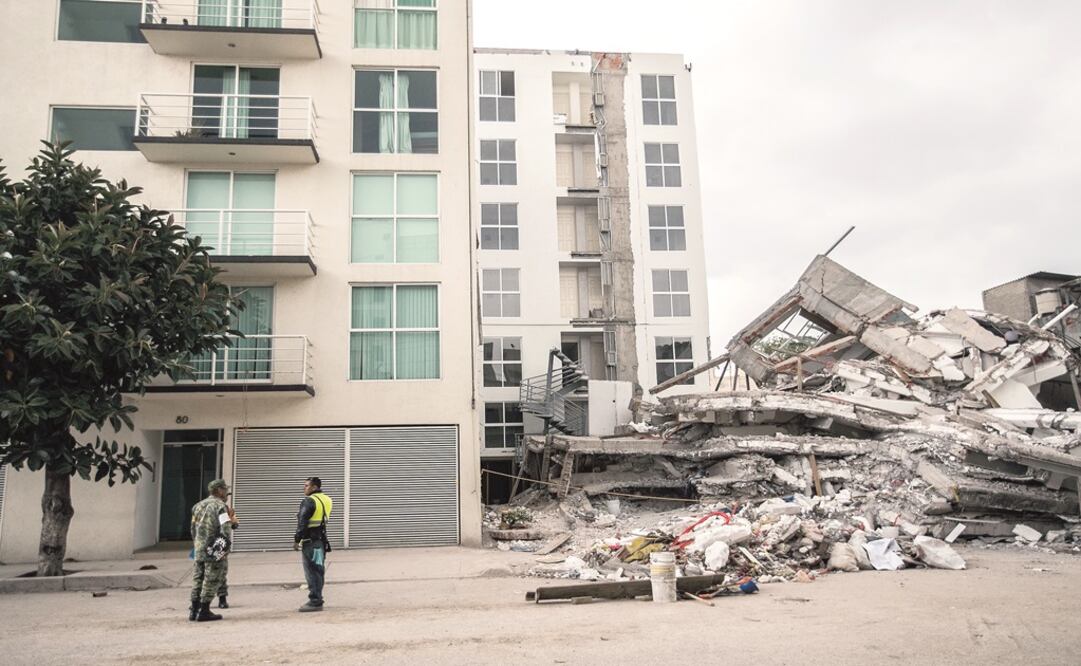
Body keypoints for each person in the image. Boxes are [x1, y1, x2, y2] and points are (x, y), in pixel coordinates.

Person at [189, 479, 234, 622]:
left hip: (199, 547)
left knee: (198, 578)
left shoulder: (197, 506)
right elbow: (225, 529)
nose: (226, 492)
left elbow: (192, 529)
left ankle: (194, 610)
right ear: (219, 490)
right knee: (211, 578)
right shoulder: (220, 507)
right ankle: (204, 610)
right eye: (225, 489)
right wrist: (223, 550)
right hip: (213, 547)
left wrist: (197, 544)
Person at [294, 476, 332, 613]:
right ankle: (318, 598)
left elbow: (302, 523)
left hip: (310, 542)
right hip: (321, 541)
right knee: (319, 571)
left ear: (314, 487)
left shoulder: (308, 501)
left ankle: (315, 601)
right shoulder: (327, 499)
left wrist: (297, 539)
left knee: (311, 572)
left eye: (306, 486)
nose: (304, 488)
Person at [217, 506, 239, 609]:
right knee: (221, 572)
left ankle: (196, 602)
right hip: (217, 544)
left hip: (201, 544)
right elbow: (232, 526)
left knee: (200, 573)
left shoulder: (199, 506)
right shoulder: (222, 508)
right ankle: (222, 600)